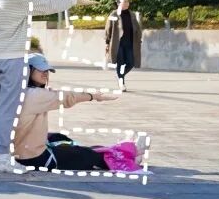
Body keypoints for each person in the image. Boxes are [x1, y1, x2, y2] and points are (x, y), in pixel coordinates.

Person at [0, 0, 99, 174]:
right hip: (11, 58)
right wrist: (75, 1)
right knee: (8, 109)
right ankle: (3, 157)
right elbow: (44, 2)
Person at [12, 54, 150, 172]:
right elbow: (66, 97)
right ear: (27, 70)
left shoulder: (20, 91)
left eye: (47, 70)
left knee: (60, 138)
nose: (45, 73)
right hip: (33, 158)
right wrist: (93, 96)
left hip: (23, 149)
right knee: (86, 155)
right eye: (41, 69)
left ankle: (126, 150)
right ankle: (129, 155)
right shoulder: (33, 95)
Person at [105, 0, 142, 92]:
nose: (126, 3)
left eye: (127, 1)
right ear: (118, 4)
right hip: (118, 43)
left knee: (131, 62)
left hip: (130, 43)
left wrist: (139, 39)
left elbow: (137, 28)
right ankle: (121, 83)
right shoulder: (114, 14)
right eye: (124, 2)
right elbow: (108, 28)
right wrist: (107, 42)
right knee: (120, 63)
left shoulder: (132, 14)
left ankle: (120, 76)